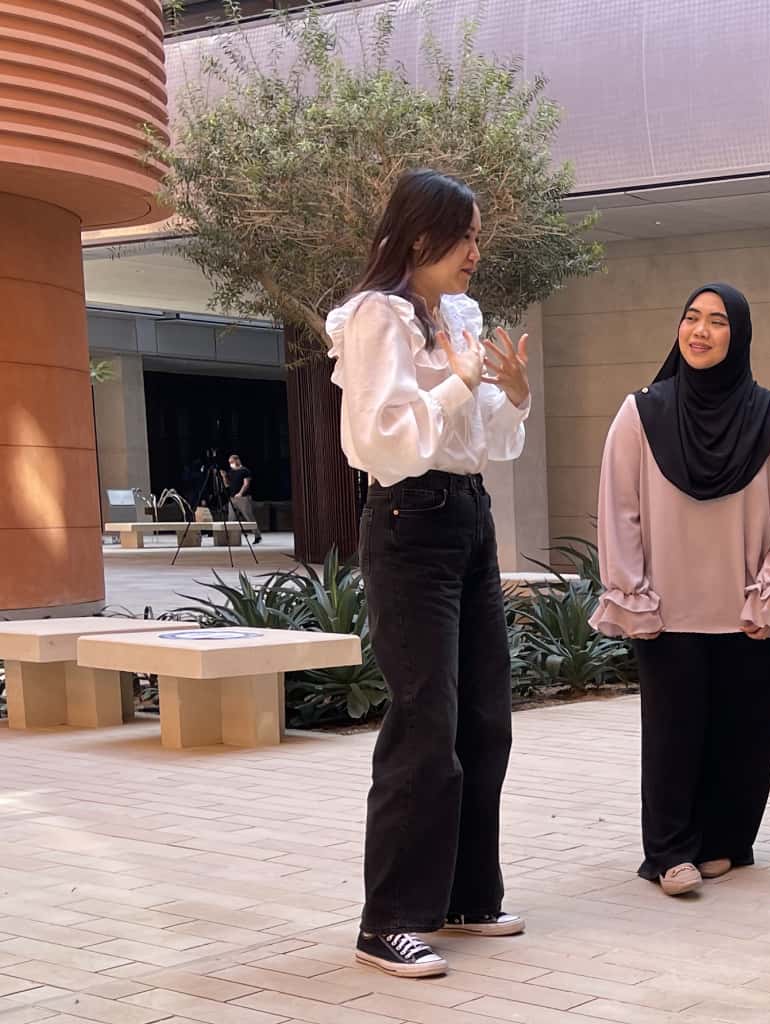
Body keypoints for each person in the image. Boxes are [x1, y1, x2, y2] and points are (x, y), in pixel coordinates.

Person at [327, 168, 535, 979]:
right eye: (466, 236)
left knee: (485, 716)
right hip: (409, 520)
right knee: (424, 723)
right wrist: (458, 383)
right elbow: (379, 441)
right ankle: (388, 921)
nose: (477, 251)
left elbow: (483, 435)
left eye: (479, 237)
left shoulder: (458, 316)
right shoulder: (374, 317)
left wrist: (511, 394)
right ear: (421, 236)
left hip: (469, 514)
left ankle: (465, 896)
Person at [592, 282, 770, 899]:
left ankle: (722, 841)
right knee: (673, 735)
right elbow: (619, 509)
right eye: (691, 317)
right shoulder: (641, 414)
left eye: (717, 321)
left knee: (744, 735)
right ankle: (668, 852)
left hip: (747, 608)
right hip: (668, 608)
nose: (700, 331)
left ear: (738, 335)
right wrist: (632, 592)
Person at [224, 454, 261, 542]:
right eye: (229, 462)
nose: (231, 464)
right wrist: (224, 476)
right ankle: (231, 538)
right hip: (232, 498)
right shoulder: (231, 472)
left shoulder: (245, 471)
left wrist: (240, 493)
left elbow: (246, 484)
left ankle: (257, 535)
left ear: (237, 460)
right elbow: (227, 485)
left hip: (243, 498)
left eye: (232, 462)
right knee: (231, 518)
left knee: (249, 516)